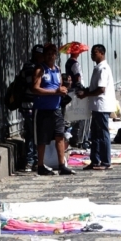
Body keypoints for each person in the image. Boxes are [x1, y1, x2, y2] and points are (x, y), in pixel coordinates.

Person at [30, 43, 73, 176]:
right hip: (43, 109)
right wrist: (54, 92)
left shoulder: (57, 69)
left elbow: (59, 86)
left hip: (56, 108)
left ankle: (61, 165)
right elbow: (35, 88)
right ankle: (40, 165)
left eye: (52, 54)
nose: (50, 56)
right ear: (44, 55)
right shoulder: (40, 69)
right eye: (47, 54)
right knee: (42, 139)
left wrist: (65, 88)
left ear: (55, 55)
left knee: (59, 135)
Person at [84, 44, 116, 171]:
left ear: (101, 53)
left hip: (102, 105)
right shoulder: (97, 68)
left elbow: (101, 89)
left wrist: (87, 94)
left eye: (95, 53)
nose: (92, 55)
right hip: (96, 106)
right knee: (95, 134)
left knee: (103, 133)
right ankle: (95, 160)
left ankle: (106, 161)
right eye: (92, 53)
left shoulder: (103, 68)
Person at [63, 42, 90, 147]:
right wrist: (81, 89)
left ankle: (73, 137)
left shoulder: (68, 62)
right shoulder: (75, 64)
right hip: (76, 91)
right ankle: (79, 138)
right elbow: (77, 76)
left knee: (72, 115)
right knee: (81, 115)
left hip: (71, 90)